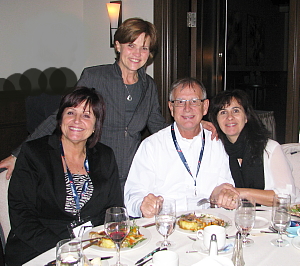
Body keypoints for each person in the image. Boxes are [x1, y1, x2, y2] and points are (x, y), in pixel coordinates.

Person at [0, 18, 215, 191]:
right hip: (96, 171)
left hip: (133, 175)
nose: (137, 54)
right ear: (118, 45)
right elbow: (61, 116)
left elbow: (159, 126)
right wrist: (18, 154)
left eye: (144, 48)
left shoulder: (149, 86)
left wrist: (194, 127)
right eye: (131, 45)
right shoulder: (95, 77)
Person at [5, 87, 123, 265]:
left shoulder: (105, 155)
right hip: (39, 249)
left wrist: (96, 244)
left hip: (93, 247)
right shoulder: (35, 153)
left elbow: (114, 208)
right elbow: (22, 216)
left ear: (95, 125)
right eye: (70, 112)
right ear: (60, 119)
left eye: (86, 115)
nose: (77, 121)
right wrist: (66, 249)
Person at [124, 78, 235, 218]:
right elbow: (132, 196)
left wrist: (224, 194)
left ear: (205, 106)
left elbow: (227, 186)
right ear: (171, 108)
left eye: (194, 101)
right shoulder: (152, 146)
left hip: (207, 225)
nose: (187, 108)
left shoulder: (217, 143)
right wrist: (142, 205)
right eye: (180, 102)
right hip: (166, 226)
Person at [209, 89, 295, 206]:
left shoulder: (270, 148)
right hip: (233, 219)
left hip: (271, 219)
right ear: (216, 120)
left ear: (246, 117)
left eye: (236, 111)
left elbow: (287, 196)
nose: (230, 117)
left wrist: (241, 193)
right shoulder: (217, 150)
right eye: (223, 112)